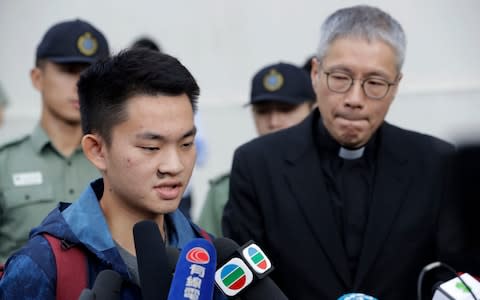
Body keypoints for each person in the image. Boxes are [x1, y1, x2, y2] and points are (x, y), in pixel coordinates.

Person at [222, 5, 468, 299]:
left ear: (395, 86)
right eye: (340, 78)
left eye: (375, 83)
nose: (354, 99)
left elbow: (455, 276)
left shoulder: (436, 163)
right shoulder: (258, 164)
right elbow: (241, 285)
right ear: (316, 73)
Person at [0, 48, 225, 299]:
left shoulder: (209, 256)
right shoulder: (43, 266)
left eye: (186, 144)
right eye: (151, 148)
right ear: (97, 150)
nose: (174, 165)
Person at [0, 19, 109, 262]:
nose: (81, 84)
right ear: (37, 78)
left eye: (91, 74)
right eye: (69, 71)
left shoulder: (118, 162)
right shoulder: (4, 164)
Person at [198, 62, 316, 237]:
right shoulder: (225, 191)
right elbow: (207, 255)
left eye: (286, 110)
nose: (274, 122)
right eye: (262, 111)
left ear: (313, 109)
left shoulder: (331, 176)